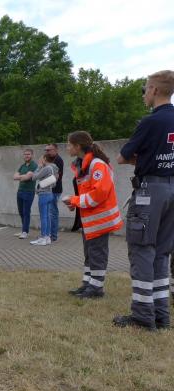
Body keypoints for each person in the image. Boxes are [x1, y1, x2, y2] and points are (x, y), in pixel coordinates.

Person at [114, 70, 174, 330]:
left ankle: (142, 315)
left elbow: (122, 156)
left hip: (150, 190)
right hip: (172, 189)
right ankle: (161, 315)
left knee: (141, 250)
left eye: (145, 89)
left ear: (155, 90)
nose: (144, 94)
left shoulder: (150, 122)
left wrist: (144, 160)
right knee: (162, 253)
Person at [62, 131, 123, 299]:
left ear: (78, 146)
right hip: (90, 219)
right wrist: (74, 203)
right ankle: (88, 283)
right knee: (90, 252)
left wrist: (74, 200)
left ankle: (96, 288)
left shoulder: (97, 165)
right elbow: (87, 192)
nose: (67, 148)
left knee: (97, 253)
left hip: (99, 219)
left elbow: (98, 194)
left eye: (69, 144)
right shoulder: (84, 164)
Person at [30, 154, 58, 246]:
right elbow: (54, 183)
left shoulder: (46, 168)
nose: (40, 160)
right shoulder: (53, 168)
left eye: (41, 158)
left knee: (43, 217)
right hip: (50, 193)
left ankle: (43, 237)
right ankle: (47, 237)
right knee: (47, 216)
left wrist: (38, 167)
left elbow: (34, 177)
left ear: (45, 159)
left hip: (44, 194)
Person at [14, 149, 37, 239]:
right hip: (20, 191)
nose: (26, 156)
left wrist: (21, 177)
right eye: (25, 154)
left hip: (29, 191)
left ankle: (25, 232)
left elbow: (27, 178)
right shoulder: (22, 166)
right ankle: (23, 229)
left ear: (32, 155)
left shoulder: (34, 165)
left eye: (28, 154)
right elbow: (14, 177)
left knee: (26, 212)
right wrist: (23, 176)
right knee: (21, 211)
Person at [44, 143, 65, 241]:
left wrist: (43, 183)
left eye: (49, 150)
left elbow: (55, 177)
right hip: (49, 190)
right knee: (48, 212)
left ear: (56, 150)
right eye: (46, 150)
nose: (47, 152)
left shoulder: (58, 160)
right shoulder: (49, 159)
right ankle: (47, 234)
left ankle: (53, 236)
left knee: (53, 213)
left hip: (55, 190)